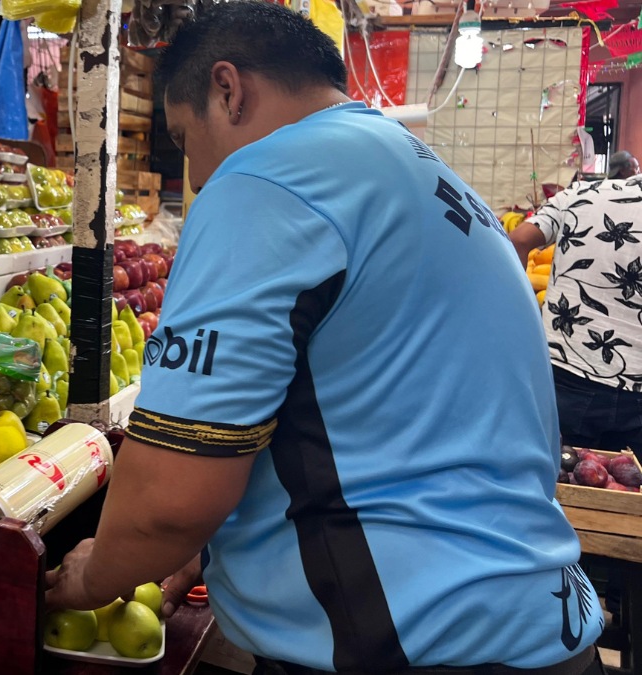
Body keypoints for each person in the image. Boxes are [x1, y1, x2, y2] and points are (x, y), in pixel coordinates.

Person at [45, 3, 603, 674]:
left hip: (412, 643)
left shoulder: (264, 179)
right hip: (543, 622)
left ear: (229, 89)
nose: (196, 176)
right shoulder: (423, 172)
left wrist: (90, 576)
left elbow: (168, 501)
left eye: (186, 138)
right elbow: (386, 418)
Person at [509, 154, 642, 450]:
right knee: (626, 486)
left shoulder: (580, 194)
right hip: (637, 387)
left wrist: (525, 319)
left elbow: (517, 240)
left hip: (566, 374)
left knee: (560, 477)